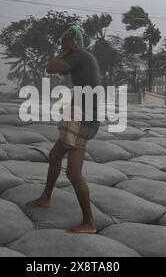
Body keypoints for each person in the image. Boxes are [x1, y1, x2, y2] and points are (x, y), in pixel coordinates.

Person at [26, 26, 101, 234]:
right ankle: (46, 197)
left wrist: (66, 50)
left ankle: (89, 222)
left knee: (73, 172)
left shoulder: (79, 56)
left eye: (64, 41)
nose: (61, 44)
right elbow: (56, 69)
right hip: (81, 113)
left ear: (72, 42)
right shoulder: (81, 57)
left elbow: (50, 67)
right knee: (55, 154)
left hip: (83, 116)